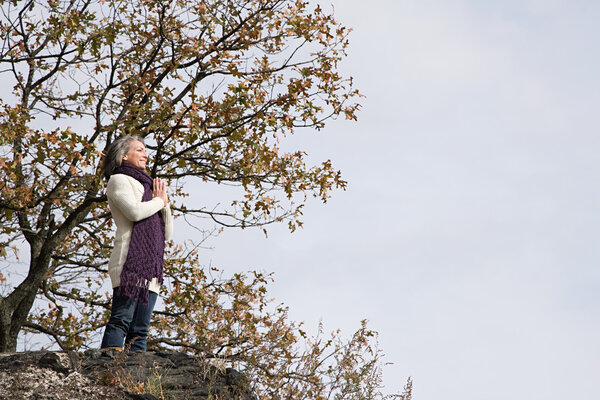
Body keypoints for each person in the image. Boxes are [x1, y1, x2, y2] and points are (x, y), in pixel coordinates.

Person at [99, 135, 173, 351]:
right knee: (121, 320)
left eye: (145, 150)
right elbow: (133, 212)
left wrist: (164, 202)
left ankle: (134, 380)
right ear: (123, 155)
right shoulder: (119, 180)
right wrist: (159, 201)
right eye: (139, 150)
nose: (145, 154)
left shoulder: (150, 187)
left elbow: (167, 233)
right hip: (128, 263)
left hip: (151, 268)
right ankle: (107, 371)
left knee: (140, 330)